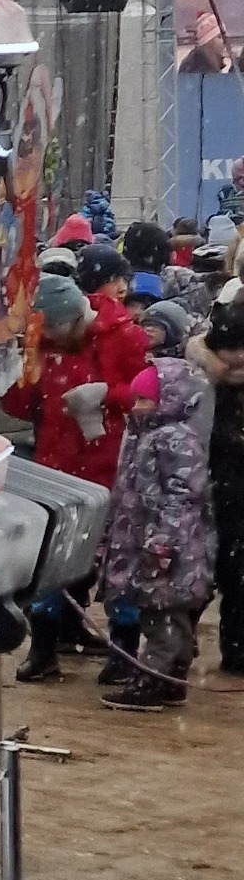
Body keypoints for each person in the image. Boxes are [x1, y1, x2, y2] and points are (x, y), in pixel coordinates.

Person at [7, 272, 131, 681]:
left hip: (110, 469)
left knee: (116, 565)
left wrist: (106, 395)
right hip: (56, 467)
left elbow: (148, 393)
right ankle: (46, 647)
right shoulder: (41, 346)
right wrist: (13, 372)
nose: (57, 342)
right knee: (51, 564)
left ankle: (120, 651)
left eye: (62, 332)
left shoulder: (124, 337)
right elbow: (23, 405)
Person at [99, 357, 216, 709]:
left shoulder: (172, 440)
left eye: (143, 400)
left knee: (162, 617)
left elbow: (183, 497)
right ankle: (171, 679)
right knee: (168, 615)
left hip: (168, 548)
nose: (136, 408)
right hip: (159, 543)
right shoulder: (147, 437)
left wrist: (163, 542)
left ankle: (153, 680)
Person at [190, 281, 244, 675]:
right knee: (199, 578)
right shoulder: (200, 387)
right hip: (209, 494)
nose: (237, 359)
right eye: (229, 350)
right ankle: (177, 647)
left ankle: (237, 649)